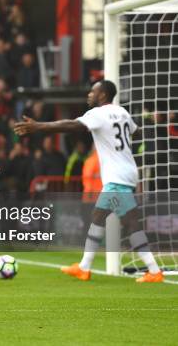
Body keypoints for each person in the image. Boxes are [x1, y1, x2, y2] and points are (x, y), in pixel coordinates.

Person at [14, 80, 163, 283]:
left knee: (131, 223)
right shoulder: (122, 112)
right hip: (127, 170)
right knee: (98, 217)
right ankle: (84, 267)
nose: (89, 95)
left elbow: (71, 125)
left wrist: (38, 126)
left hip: (117, 177)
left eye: (93, 91)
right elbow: (136, 131)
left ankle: (154, 271)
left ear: (102, 95)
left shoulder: (98, 114)